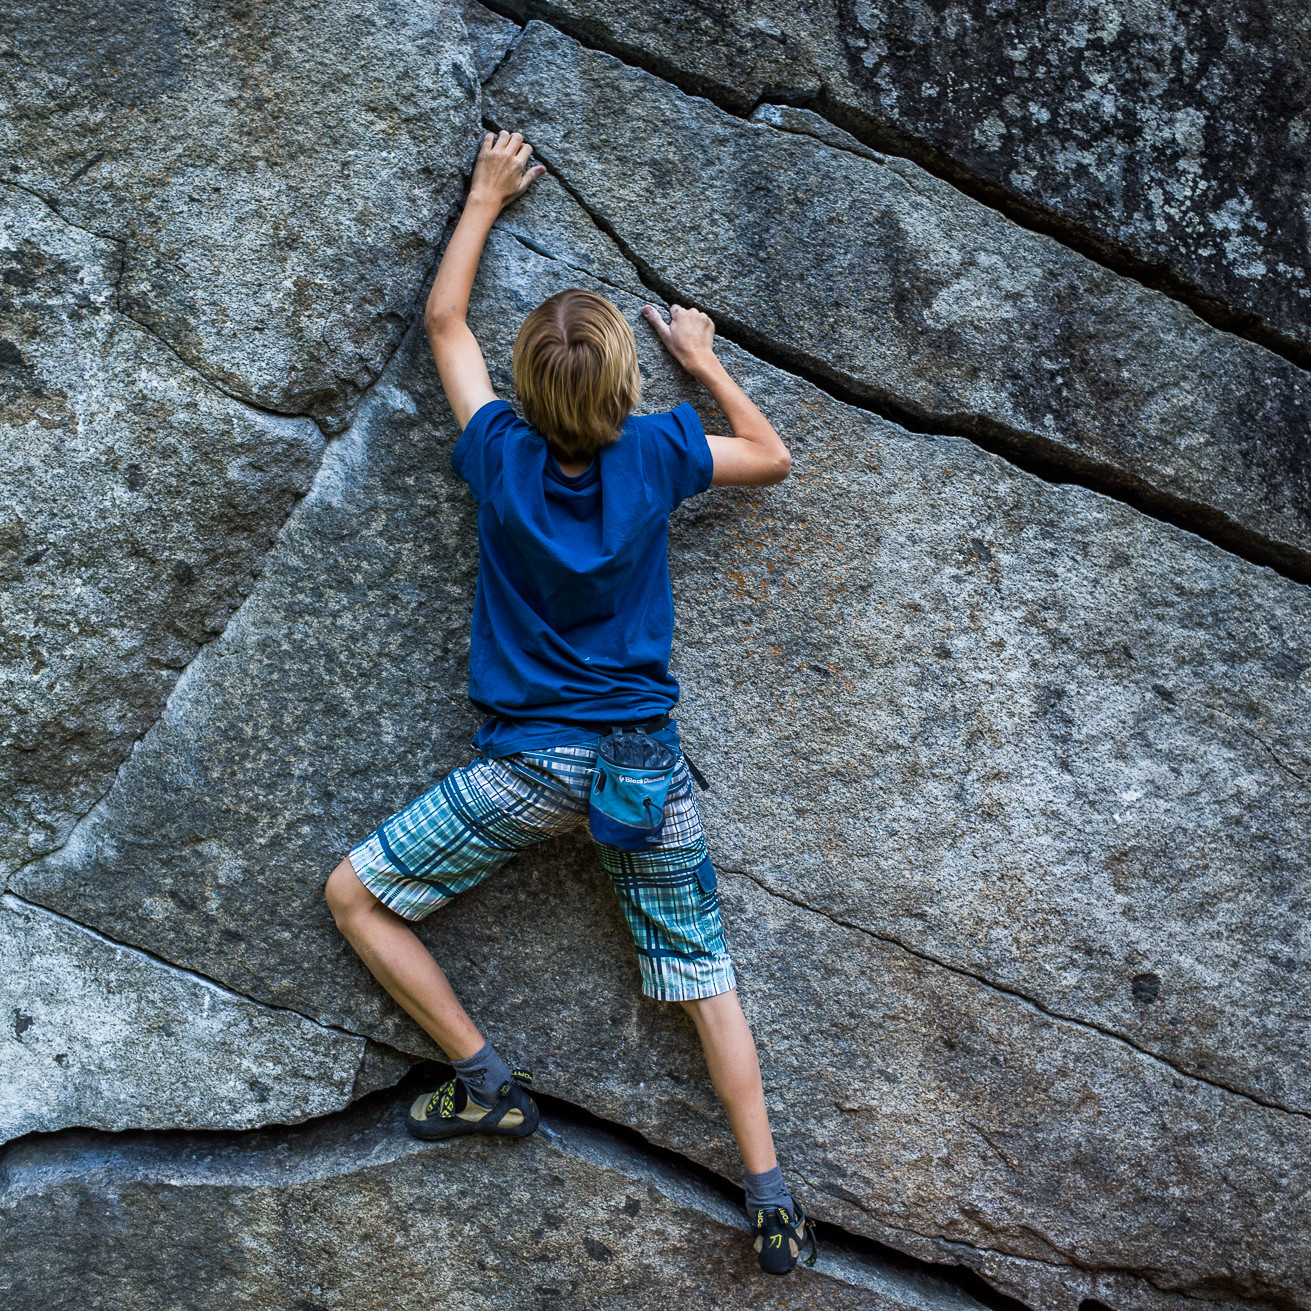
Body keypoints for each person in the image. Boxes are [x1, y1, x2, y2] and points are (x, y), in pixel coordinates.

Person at [325, 130, 812, 1276]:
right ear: (628, 388)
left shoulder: (495, 450)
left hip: (527, 768)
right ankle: (774, 1192)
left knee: (357, 898)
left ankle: (485, 1077)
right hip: (642, 768)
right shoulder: (658, 453)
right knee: (705, 980)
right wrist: (703, 361)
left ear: (526, 391)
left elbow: (445, 328)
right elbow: (774, 455)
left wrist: (487, 198)